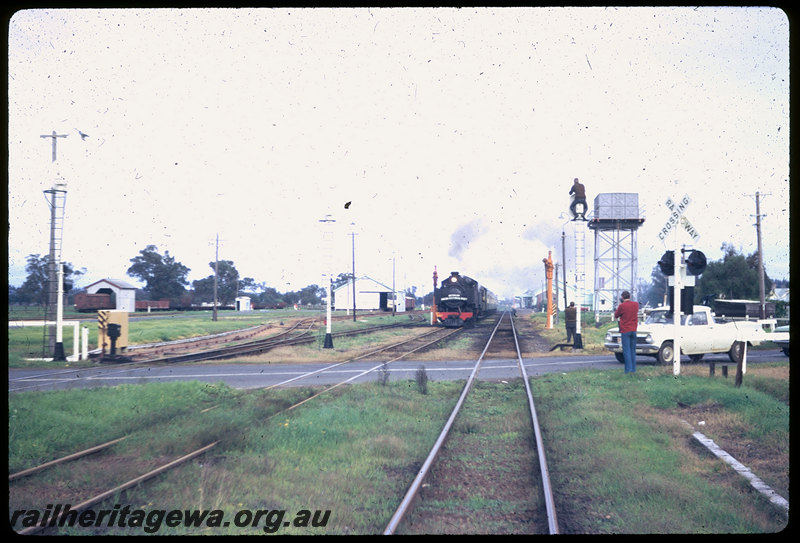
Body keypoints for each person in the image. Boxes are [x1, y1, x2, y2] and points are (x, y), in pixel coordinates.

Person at [614, 291, 639, 373]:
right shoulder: (636, 304)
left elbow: (616, 315)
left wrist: (619, 306)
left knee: (626, 351)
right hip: (634, 329)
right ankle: (633, 369)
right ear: (630, 296)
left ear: (622, 297)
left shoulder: (622, 306)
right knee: (632, 350)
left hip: (625, 330)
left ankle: (628, 370)